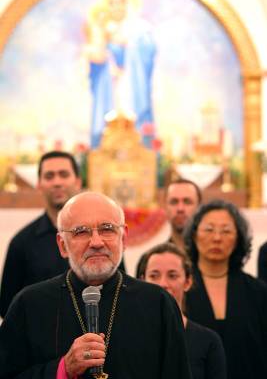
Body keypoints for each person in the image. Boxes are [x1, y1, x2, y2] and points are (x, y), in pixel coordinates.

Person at [0, 191, 192, 379]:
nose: (96, 242)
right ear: (62, 245)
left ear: (123, 238)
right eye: (81, 231)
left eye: (107, 229)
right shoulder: (29, 304)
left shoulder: (158, 303)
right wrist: (63, 369)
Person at [184, 199, 267, 379]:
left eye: (226, 231)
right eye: (209, 229)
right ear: (194, 235)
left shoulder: (258, 292)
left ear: (238, 238)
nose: (217, 238)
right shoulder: (180, 288)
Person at [0, 151, 82, 318]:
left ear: (78, 182)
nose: (57, 182)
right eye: (49, 176)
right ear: (39, 185)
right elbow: (8, 307)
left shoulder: (101, 236)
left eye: (64, 174)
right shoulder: (21, 243)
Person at [137, 242, 227, 379]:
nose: (163, 284)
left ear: (187, 282)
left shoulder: (209, 341)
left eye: (172, 276)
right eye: (154, 276)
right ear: (142, 280)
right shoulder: (128, 335)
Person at [85, 0, 156, 148]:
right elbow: (96, 60)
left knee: (135, 115)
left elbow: (148, 52)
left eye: (120, 2)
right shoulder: (102, 30)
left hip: (132, 83)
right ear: (107, 6)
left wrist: (130, 46)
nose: (117, 6)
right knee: (108, 115)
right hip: (109, 84)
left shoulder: (139, 28)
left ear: (127, 4)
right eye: (112, 3)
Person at [165, 178, 202, 248]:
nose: (180, 209)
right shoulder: (154, 251)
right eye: (174, 202)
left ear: (199, 208)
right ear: (165, 207)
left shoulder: (210, 251)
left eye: (187, 202)